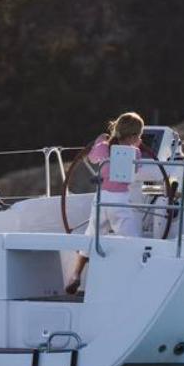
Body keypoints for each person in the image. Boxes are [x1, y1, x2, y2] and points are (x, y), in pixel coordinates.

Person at [65, 112, 145, 295]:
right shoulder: (135, 152)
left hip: (101, 199)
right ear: (134, 136)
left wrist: (99, 141)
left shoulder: (103, 147)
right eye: (139, 135)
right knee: (132, 241)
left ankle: (76, 275)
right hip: (120, 201)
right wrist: (137, 147)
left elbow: (92, 158)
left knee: (91, 236)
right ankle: (134, 279)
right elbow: (136, 170)